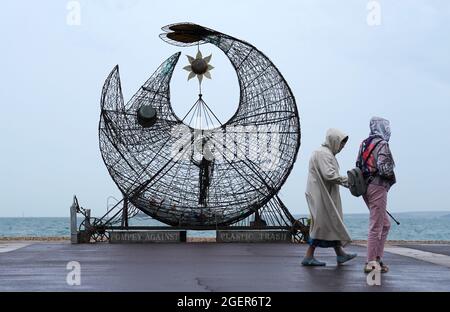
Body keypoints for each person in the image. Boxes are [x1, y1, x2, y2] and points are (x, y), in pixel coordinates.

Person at [302, 128, 357, 266]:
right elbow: (329, 175)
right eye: (341, 143)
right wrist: (349, 181)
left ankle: (340, 254)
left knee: (331, 223)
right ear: (334, 140)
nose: (342, 147)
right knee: (322, 225)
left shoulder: (323, 153)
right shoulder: (324, 154)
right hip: (321, 195)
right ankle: (308, 257)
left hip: (321, 193)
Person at [356, 117, 396, 273]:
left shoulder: (364, 144)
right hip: (378, 186)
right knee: (376, 226)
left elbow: (358, 165)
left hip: (365, 187)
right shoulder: (382, 144)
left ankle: (377, 259)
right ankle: (371, 262)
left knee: (385, 224)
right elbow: (384, 168)